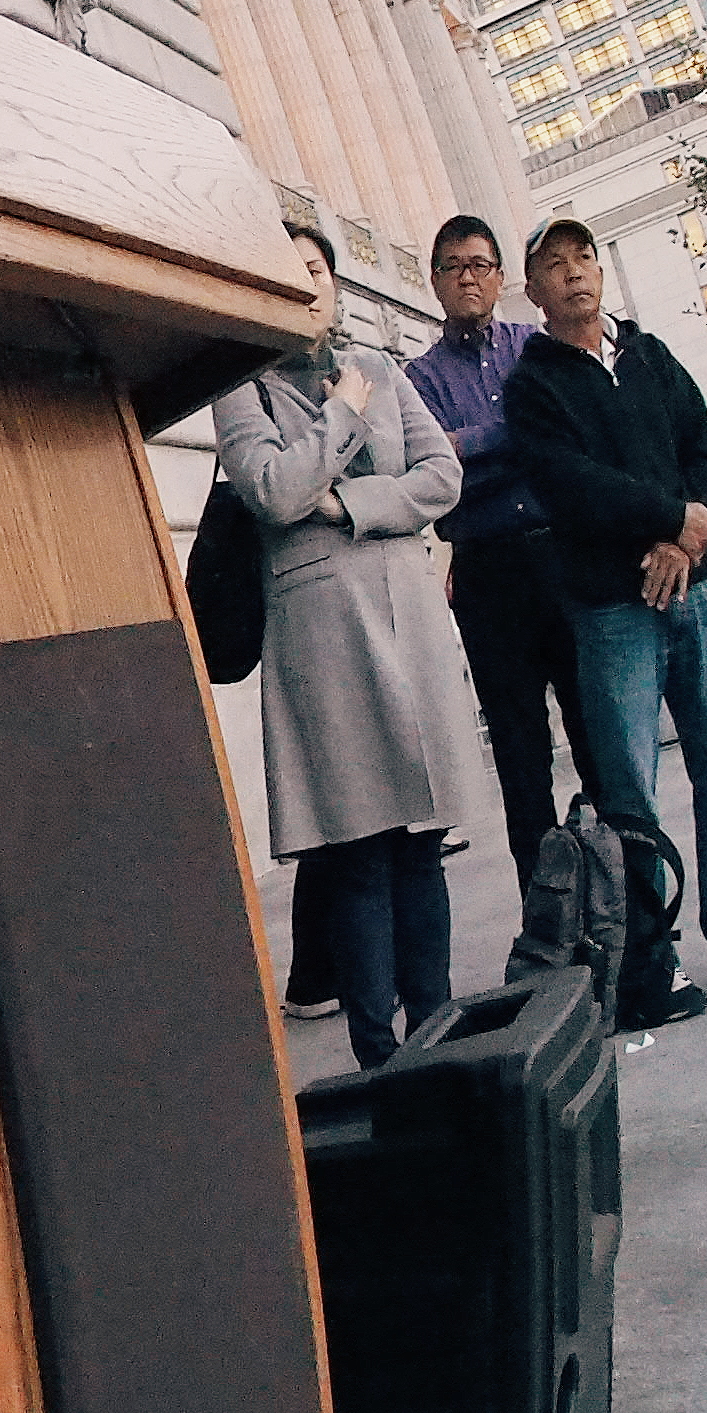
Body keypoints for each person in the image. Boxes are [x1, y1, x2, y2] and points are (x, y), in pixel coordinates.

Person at [503, 215, 707, 1012]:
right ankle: (649, 961)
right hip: (612, 613)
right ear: (532, 289)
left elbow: (704, 449)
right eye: (554, 265)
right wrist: (671, 519)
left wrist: (686, 539)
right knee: (630, 788)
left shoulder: (652, 356)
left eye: (584, 257)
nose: (574, 274)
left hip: (695, 591)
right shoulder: (535, 386)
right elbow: (574, 485)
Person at [212, 222, 473, 1067]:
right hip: (323, 638)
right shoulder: (241, 386)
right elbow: (273, 490)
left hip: (408, 622)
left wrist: (350, 504)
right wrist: (344, 414)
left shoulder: (382, 368)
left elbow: (443, 476)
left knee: (420, 842)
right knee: (359, 853)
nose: (307, 284)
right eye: (288, 271)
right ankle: (378, 1057)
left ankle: (435, 1035)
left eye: (317, 270)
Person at [406, 210, 594, 884]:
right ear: (434, 281)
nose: (467, 278)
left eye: (479, 265)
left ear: (500, 276)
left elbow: (559, 436)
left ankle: (620, 900)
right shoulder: (416, 379)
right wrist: (514, 438)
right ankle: (548, 914)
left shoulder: (534, 346)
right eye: (454, 267)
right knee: (520, 754)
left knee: (595, 732)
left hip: (562, 558)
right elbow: (433, 470)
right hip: (486, 575)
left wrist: (474, 442)